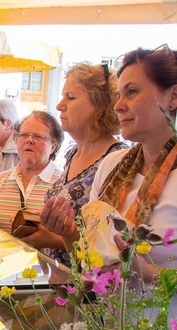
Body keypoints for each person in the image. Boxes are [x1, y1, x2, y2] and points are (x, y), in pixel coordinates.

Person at [42, 45, 177, 274]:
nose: (118, 105)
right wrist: (67, 232)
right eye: (119, 94)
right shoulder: (112, 165)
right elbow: (91, 259)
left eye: (132, 92)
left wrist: (145, 272)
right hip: (103, 310)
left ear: (172, 97)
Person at [41, 62, 128, 266]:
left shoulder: (117, 160)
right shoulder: (73, 153)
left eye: (70, 97)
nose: (60, 105)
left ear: (100, 106)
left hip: (85, 288)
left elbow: (109, 244)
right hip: (55, 277)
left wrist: (53, 237)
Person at [0, 111, 64, 242]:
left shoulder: (64, 185)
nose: (29, 140)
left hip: (41, 262)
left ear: (53, 146)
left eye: (38, 137)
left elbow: (78, 243)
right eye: (24, 135)